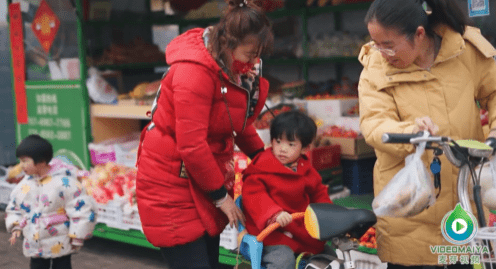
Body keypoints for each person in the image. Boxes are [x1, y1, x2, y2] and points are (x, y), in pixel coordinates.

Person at [134, 0, 274, 268]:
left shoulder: (228, 68)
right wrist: (221, 197)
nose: (254, 62)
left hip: (201, 178)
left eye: (258, 55)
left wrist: (264, 159)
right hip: (170, 182)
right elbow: (192, 145)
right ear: (228, 44)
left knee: (208, 258)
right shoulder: (194, 72)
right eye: (249, 54)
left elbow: (236, 122)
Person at [358, 0, 496, 268]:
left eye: (388, 44)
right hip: (409, 204)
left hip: (464, 198)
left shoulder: (464, 49)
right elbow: (374, 124)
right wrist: (410, 132)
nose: (381, 52)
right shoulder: (376, 67)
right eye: (376, 43)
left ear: (419, 34)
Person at [242, 111, 333, 269]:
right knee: (283, 260)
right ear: (271, 141)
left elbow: (318, 192)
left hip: (299, 227)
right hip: (272, 232)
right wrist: (274, 214)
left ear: (305, 149)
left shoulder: (305, 169)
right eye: (278, 142)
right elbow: (254, 196)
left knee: (330, 256)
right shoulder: (261, 167)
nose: (282, 149)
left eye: (291, 145)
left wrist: (327, 214)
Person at [5, 134, 96, 269]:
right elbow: (15, 206)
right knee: (37, 265)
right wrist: (16, 225)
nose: (21, 166)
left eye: (25, 161)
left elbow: (82, 208)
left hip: (60, 239)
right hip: (34, 241)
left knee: (62, 265)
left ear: (41, 161)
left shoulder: (65, 182)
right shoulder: (25, 184)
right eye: (20, 161)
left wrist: (77, 235)